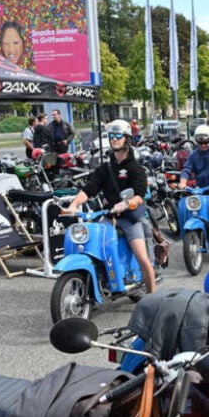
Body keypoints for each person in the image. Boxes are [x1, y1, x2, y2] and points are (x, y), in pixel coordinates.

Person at [64, 119, 156, 293]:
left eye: (118, 135)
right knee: (94, 246)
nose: (114, 139)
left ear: (126, 138)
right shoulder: (105, 168)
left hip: (129, 219)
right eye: (111, 135)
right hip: (109, 217)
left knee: (143, 258)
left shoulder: (135, 168)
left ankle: (153, 299)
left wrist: (126, 203)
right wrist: (74, 204)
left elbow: (140, 195)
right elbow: (90, 188)